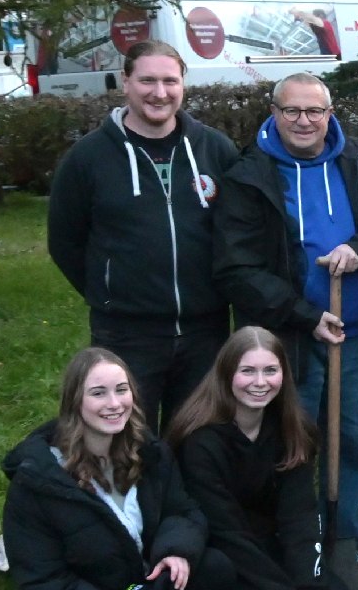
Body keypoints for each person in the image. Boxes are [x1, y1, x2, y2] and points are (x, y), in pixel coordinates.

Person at [214, 72, 358, 590]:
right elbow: (236, 267)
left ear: (330, 113)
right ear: (274, 112)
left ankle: (342, 537)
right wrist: (303, 314)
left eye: (315, 111)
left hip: (357, 337)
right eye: (293, 111)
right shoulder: (250, 175)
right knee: (291, 447)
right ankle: (295, 546)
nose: (305, 121)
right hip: (287, 341)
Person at [1, 348, 236, 590]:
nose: (114, 404)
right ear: (74, 402)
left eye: (122, 390)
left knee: (214, 567)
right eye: (98, 393)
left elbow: (183, 510)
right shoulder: (38, 483)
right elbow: (44, 586)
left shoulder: (149, 451)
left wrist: (176, 549)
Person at [46, 40, 238, 427]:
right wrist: (110, 291)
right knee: (129, 445)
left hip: (206, 331)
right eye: (147, 80)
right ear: (125, 82)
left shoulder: (215, 150)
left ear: (184, 84)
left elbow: (238, 231)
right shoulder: (88, 158)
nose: (160, 93)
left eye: (170, 81)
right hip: (127, 335)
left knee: (198, 445)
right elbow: (65, 241)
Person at [170, 328, 354, 590]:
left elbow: (299, 516)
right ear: (227, 375)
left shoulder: (291, 429)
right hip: (221, 557)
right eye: (248, 371)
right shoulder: (200, 442)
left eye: (270, 371)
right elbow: (227, 532)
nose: (260, 382)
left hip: (270, 545)